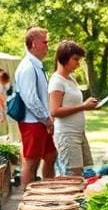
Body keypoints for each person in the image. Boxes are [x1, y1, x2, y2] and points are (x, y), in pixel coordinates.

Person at [48, 40, 98, 177]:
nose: (78, 63)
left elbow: (73, 104)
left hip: (78, 133)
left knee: (80, 174)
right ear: (63, 58)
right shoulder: (57, 81)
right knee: (72, 176)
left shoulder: (71, 79)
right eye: (75, 59)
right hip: (67, 134)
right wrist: (83, 106)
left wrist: (88, 105)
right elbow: (54, 111)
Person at [15, 27, 57, 184]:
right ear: (34, 44)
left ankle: (48, 189)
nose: (48, 46)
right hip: (33, 122)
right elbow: (30, 99)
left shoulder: (36, 65)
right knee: (31, 162)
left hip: (41, 121)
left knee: (51, 156)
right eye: (45, 42)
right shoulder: (27, 67)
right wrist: (46, 119)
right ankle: (28, 199)